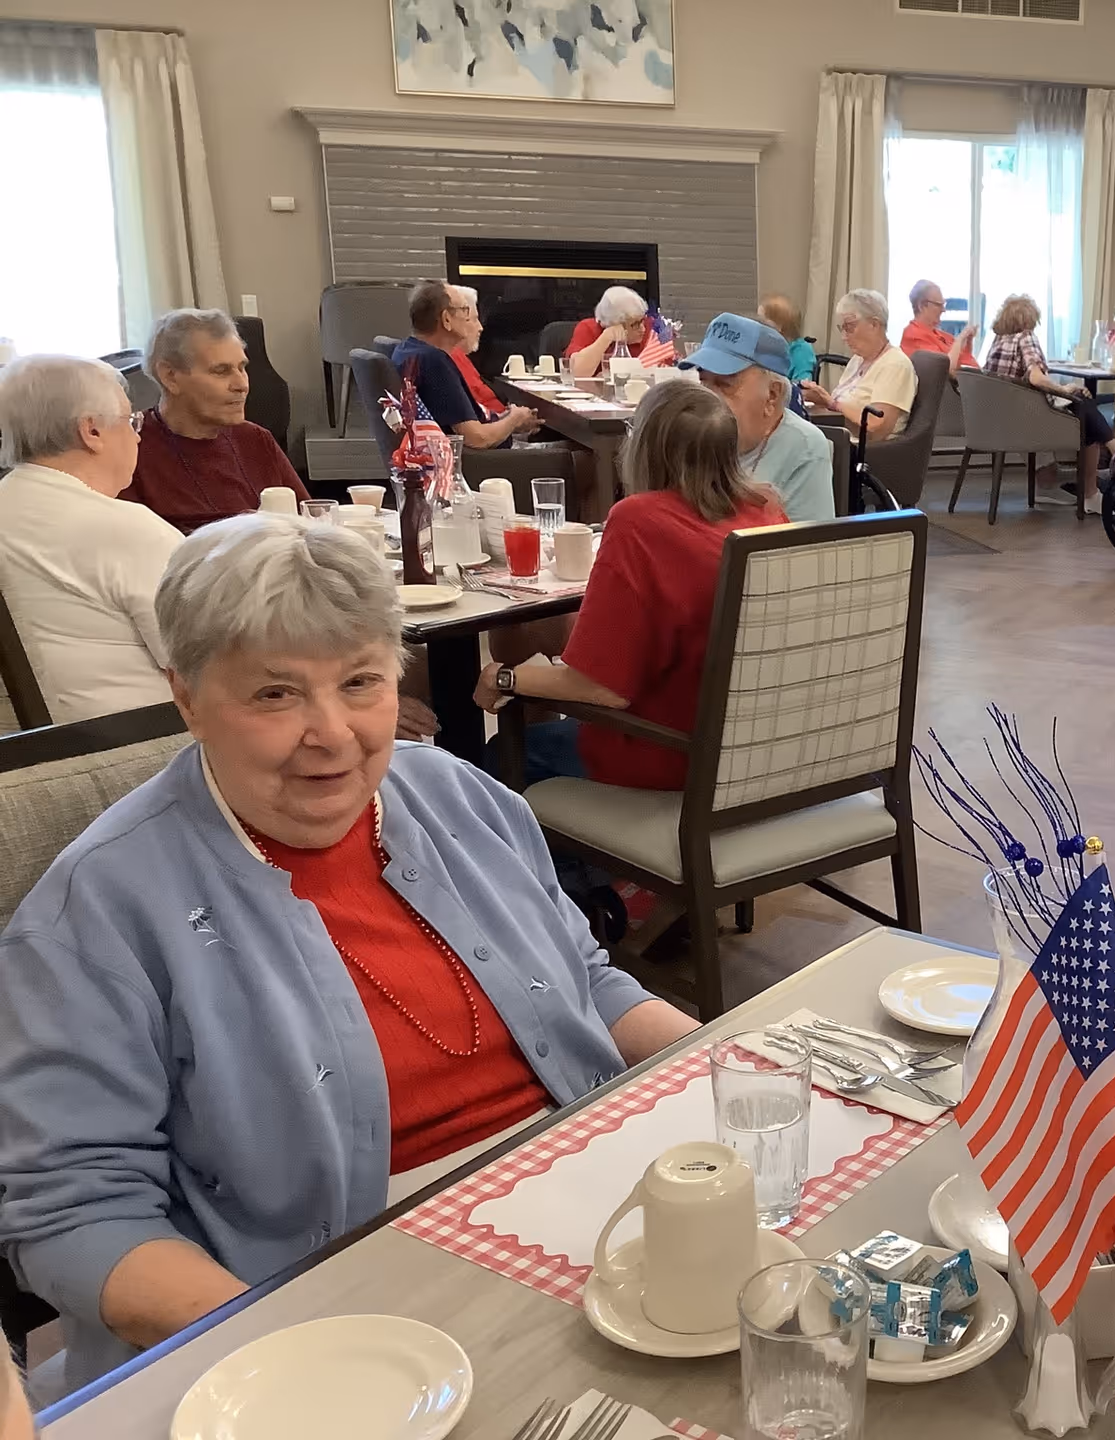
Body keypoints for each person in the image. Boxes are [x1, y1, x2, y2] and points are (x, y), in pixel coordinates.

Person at [0, 514, 699, 1391]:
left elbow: (588, 983)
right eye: (274, 694)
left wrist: (726, 1067)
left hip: (582, 1204)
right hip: (322, 1303)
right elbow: (73, 1215)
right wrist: (294, 1347)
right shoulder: (94, 912)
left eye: (361, 681)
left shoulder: (458, 795)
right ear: (186, 698)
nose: (331, 732)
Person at [474, 384, 787, 787]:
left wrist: (503, 677)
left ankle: (582, 849)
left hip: (679, 757)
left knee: (499, 753)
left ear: (642, 447)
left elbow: (604, 689)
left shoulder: (640, 520)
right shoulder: (767, 512)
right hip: (759, 753)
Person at [0, 355, 182, 721]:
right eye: (131, 421)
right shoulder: (127, 528)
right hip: (135, 744)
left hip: (19, 753)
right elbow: (210, 664)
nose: (136, 436)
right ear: (92, 431)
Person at [121, 308, 309, 533]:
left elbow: (310, 526)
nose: (242, 385)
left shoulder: (255, 440)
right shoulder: (129, 447)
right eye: (221, 371)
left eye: (242, 368)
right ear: (170, 376)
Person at [683, 312, 834, 522]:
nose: (708, 398)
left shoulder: (804, 448)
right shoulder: (689, 431)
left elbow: (806, 549)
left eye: (724, 384)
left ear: (772, 396)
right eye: (704, 382)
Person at [980, 293, 1115, 507]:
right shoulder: (1025, 337)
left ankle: (1108, 456)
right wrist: (1064, 389)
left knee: (1079, 401)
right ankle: (1102, 475)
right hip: (1024, 420)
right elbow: (1036, 378)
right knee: (1082, 405)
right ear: (1028, 320)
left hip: (999, 420)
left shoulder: (998, 343)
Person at [391, 282, 537, 451]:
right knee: (571, 456)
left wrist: (508, 421)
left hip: (445, 455)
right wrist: (514, 419)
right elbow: (477, 438)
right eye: (464, 310)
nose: (469, 318)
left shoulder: (406, 350)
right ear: (446, 319)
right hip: (476, 461)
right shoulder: (434, 361)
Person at [798, 290, 917, 443]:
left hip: (864, 452)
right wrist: (821, 399)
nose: (844, 337)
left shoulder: (896, 364)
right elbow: (841, 408)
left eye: (850, 327)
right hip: (840, 440)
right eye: (842, 328)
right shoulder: (858, 360)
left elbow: (877, 425)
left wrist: (832, 403)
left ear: (874, 324)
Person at [445, 283, 508, 420]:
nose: (480, 327)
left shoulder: (459, 356)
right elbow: (476, 429)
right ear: (448, 320)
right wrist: (514, 421)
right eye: (474, 319)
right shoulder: (446, 358)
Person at [564, 284, 654, 379]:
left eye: (643, 320)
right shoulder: (588, 328)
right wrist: (606, 338)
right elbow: (577, 373)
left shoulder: (650, 329)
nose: (643, 328)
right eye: (635, 324)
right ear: (614, 323)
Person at [898, 280, 978, 376]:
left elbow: (965, 360)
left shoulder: (942, 335)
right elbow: (945, 371)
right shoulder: (913, 335)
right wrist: (960, 339)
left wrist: (967, 340)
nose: (943, 310)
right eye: (938, 305)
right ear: (921, 306)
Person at [758, 292, 817, 385]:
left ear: (780, 326)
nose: (758, 326)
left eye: (762, 322)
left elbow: (803, 387)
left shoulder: (801, 350)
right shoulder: (763, 346)